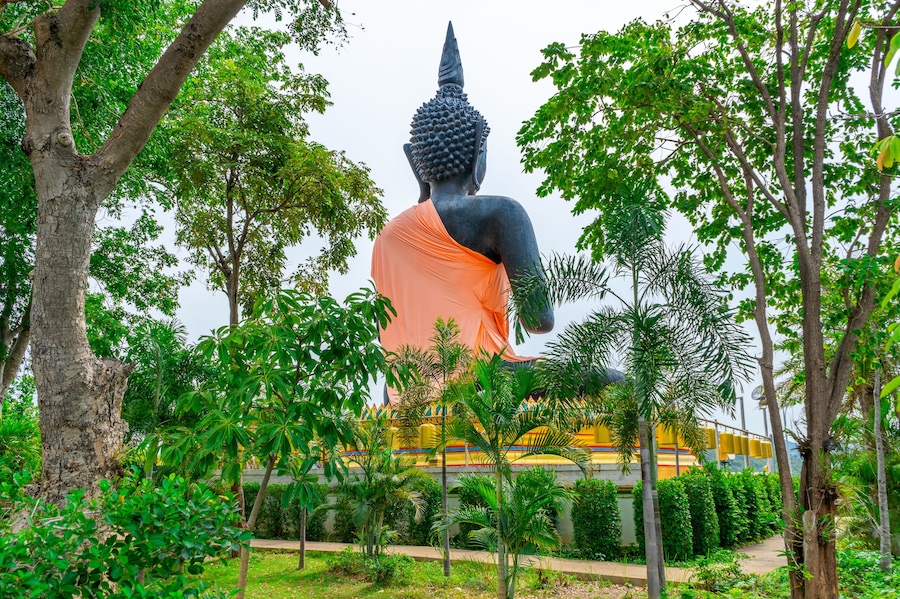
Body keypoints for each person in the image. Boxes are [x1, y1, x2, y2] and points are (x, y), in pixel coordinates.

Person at [371, 23, 553, 404]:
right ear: (477, 154)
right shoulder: (501, 213)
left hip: (402, 398)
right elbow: (539, 321)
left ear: (414, 160)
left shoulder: (387, 238)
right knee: (616, 382)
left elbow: (389, 338)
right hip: (483, 377)